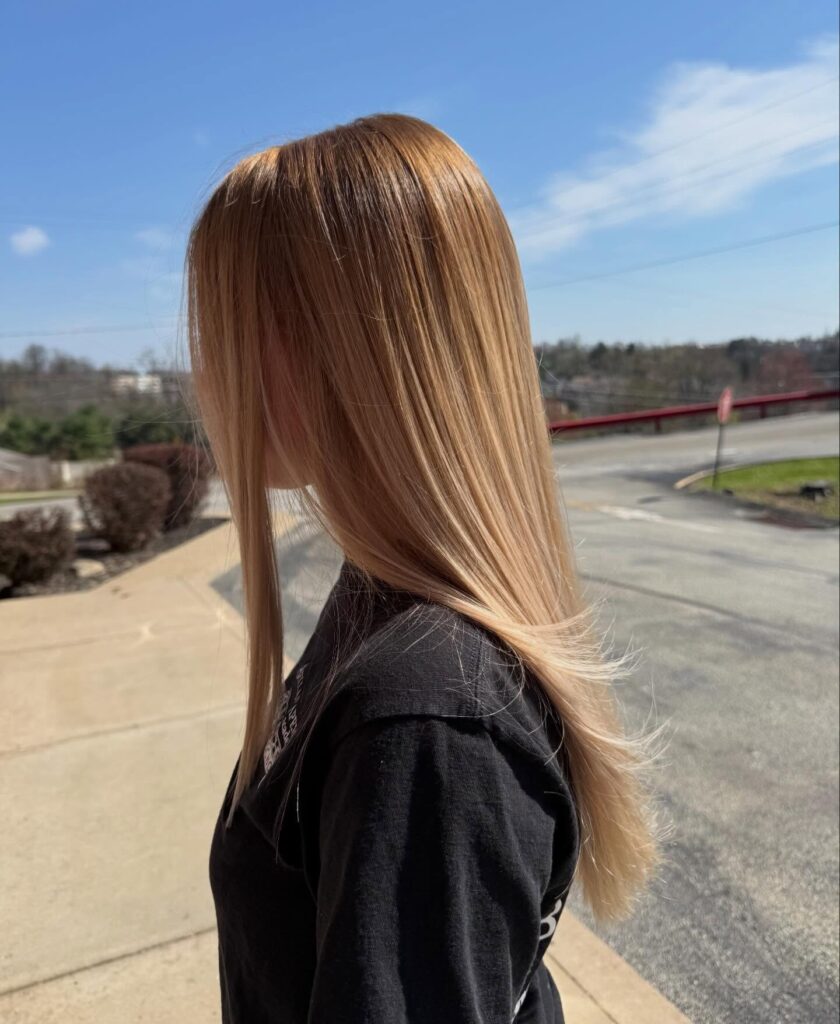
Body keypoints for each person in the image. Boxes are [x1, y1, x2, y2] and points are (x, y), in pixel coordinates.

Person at [184, 112, 669, 1023]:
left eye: (223, 327)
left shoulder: (422, 715)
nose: (202, 372)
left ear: (338, 348)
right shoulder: (386, 607)